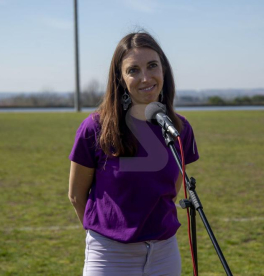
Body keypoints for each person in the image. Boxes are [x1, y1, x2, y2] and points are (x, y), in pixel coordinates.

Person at [68, 31, 199, 275]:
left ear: (164, 71)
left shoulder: (180, 128)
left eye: (152, 66)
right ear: (120, 78)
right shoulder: (95, 128)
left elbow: (171, 189)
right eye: (133, 70)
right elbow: (76, 195)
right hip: (110, 256)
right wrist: (104, 238)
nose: (145, 77)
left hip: (164, 255)